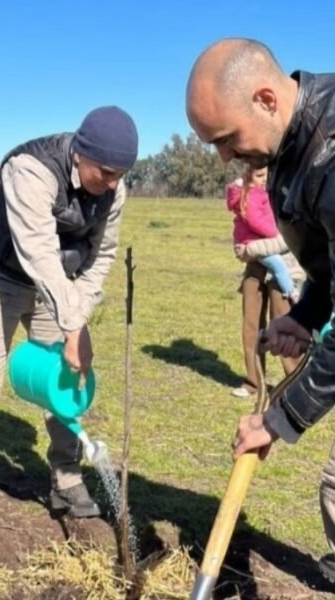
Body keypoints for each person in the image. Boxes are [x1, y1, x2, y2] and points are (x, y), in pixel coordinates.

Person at [0, 106, 139, 549]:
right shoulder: (30, 169)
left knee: (68, 381)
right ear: (79, 154)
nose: (111, 184)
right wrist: (73, 326)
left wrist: (79, 318)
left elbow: (101, 256)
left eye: (120, 175)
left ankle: (66, 477)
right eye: (105, 172)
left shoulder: (114, 188)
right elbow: (38, 254)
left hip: (61, 283)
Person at [187, 37, 335, 582]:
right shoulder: (290, 150)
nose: (224, 157)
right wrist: (307, 315)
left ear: (267, 100)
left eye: (225, 139)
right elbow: (331, 266)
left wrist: (279, 418)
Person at [230, 232, 304, 399]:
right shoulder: (251, 204)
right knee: (251, 325)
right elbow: (242, 227)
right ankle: (253, 381)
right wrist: (240, 245)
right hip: (254, 266)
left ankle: (295, 384)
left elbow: (288, 237)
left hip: (285, 267)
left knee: (284, 325)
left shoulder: (286, 206)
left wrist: (251, 248)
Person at [227, 165, 298, 302]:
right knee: (278, 264)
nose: (264, 179)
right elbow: (255, 221)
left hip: (253, 239)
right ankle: (291, 292)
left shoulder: (254, 192)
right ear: (248, 177)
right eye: (259, 176)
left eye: (266, 175)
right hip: (254, 241)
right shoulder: (253, 195)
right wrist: (274, 232)